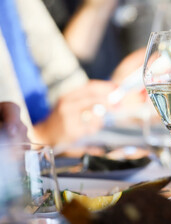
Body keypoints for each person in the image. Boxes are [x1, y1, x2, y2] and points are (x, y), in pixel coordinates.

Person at [0, 0, 120, 146]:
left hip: (60, 149)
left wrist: (117, 93)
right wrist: (43, 136)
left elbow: (65, 80)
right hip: (35, 156)